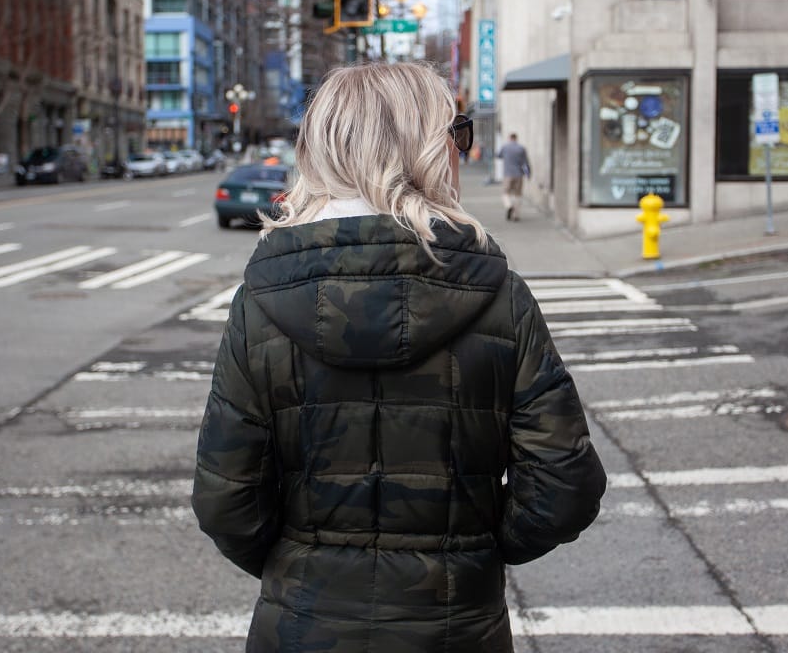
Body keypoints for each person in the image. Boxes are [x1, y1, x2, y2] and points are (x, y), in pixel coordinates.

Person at [192, 62, 607, 652]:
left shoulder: (261, 304)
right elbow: (564, 484)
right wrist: (478, 550)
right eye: (455, 131)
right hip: (457, 628)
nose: (461, 148)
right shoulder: (500, 297)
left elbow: (225, 499)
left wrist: (303, 566)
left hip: (301, 627)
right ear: (426, 148)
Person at [497, 132, 530, 221]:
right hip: (519, 174)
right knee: (517, 195)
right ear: (516, 138)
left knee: (505, 193)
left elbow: (499, 155)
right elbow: (526, 163)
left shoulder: (505, 147)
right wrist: (528, 174)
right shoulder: (521, 148)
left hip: (508, 174)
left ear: (509, 138)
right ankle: (516, 215)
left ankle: (509, 205)